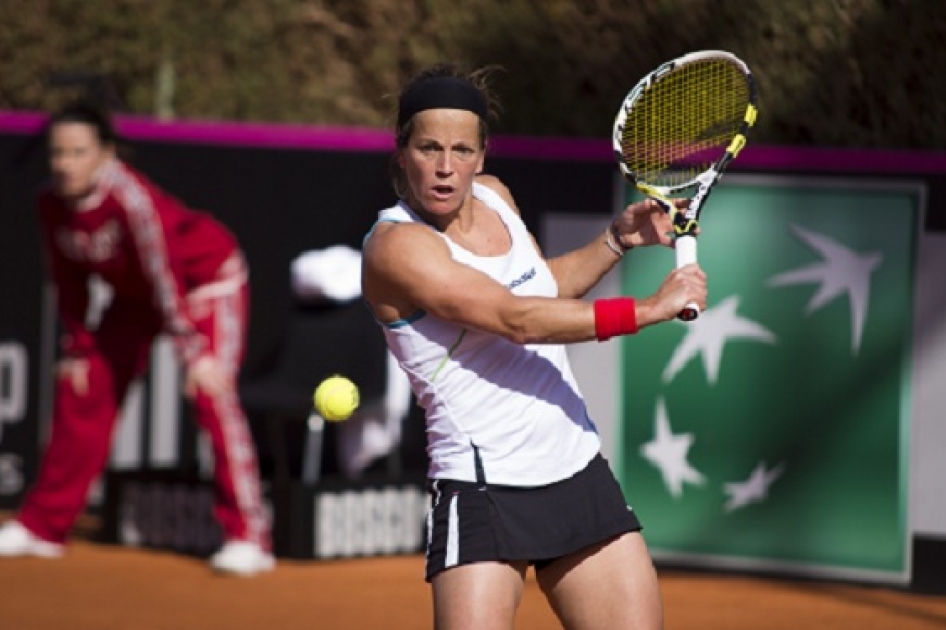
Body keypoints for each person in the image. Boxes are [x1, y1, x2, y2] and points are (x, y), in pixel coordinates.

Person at [361, 62, 707, 629]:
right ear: (401, 152)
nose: (446, 168)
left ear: (482, 154)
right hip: (481, 486)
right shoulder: (396, 248)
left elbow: (541, 289)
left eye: (461, 150)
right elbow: (515, 318)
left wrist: (617, 240)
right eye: (428, 149)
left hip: (574, 466)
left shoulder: (496, 197)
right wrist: (647, 310)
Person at [0, 100, 273, 576]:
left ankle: (248, 536)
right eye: (57, 154)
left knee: (213, 394)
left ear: (106, 154)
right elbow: (68, 282)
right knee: (82, 388)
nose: (65, 164)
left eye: (78, 152)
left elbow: (165, 277)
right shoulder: (51, 203)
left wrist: (196, 355)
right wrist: (79, 345)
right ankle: (44, 527)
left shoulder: (132, 201)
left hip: (204, 281)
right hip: (136, 297)